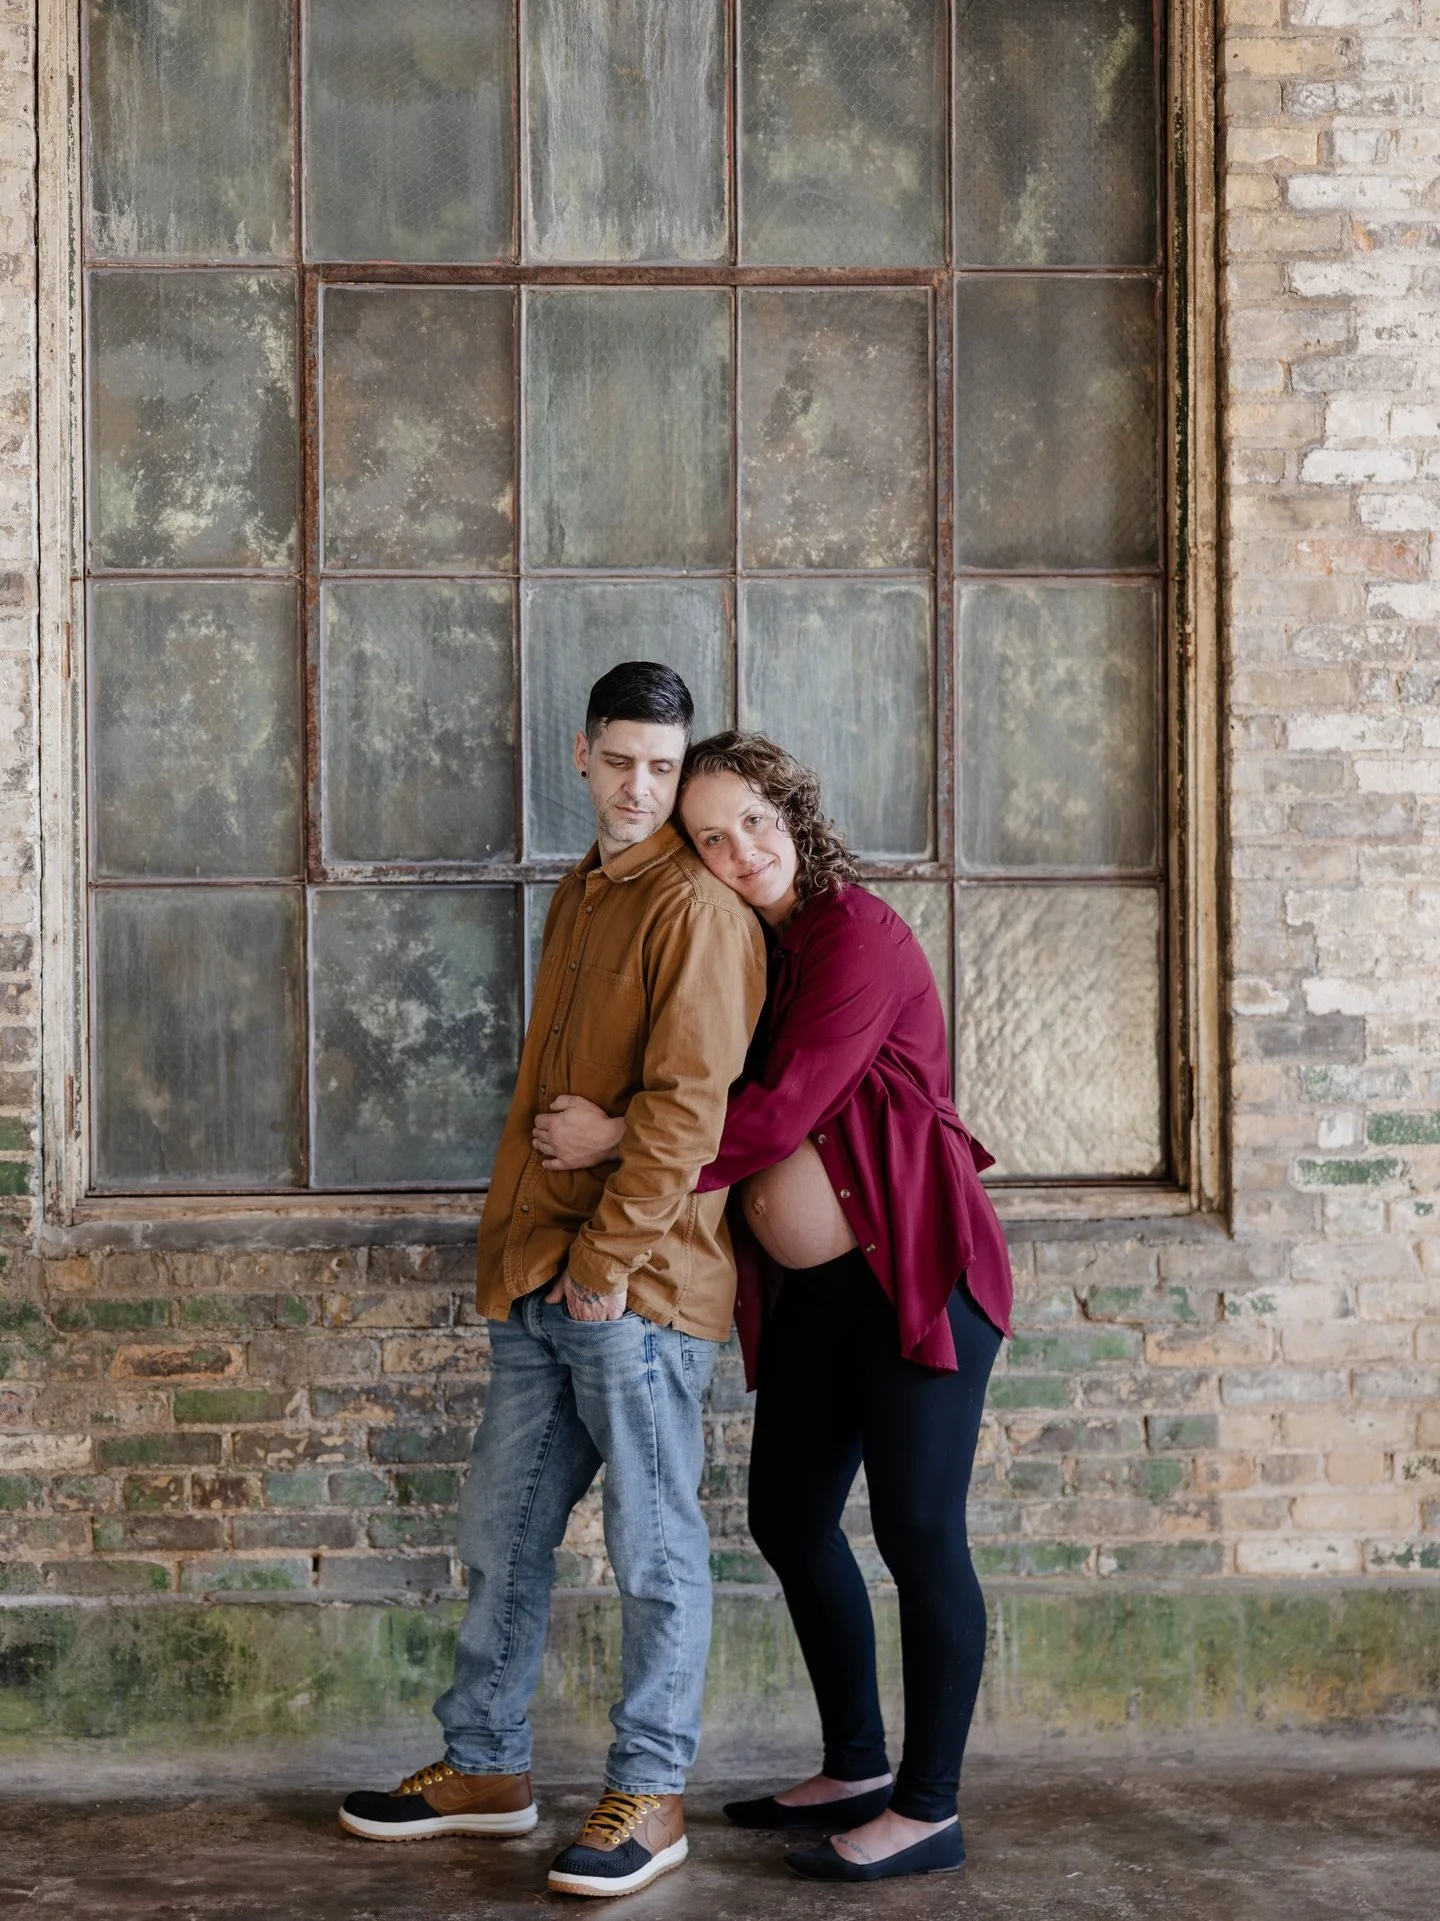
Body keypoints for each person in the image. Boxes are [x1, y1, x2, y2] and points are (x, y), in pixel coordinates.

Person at [534, 730, 1013, 1885]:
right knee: (791, 1520)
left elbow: (781, 1109)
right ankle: (856, 1765)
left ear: (793, 812)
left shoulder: (855, 933)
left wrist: (613, 1143)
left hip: (914, 1282)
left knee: (919, 1533)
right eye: (710, 837)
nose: (740, 848)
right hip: (814, 1298)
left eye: (753, 819)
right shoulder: (758, 941)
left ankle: (928, 1809)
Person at [339, 669, 766, 1900]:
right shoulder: (583, 890)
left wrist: (601, 1266)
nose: (641, 787)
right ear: (581, 754)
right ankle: (485, 1765)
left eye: (664, 767)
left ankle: (653, 1790)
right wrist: (539, 1265)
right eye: (621, 760)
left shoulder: (696, 911)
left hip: (634, 1290)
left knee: (654, 1551)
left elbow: (688, 1118)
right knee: (503, 1531)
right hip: (545, 1278)